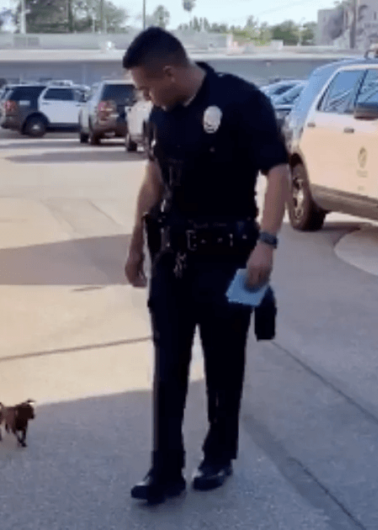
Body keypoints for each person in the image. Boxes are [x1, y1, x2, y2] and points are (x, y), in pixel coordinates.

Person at [122, 27, 291, 505]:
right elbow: (153, 179)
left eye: (147, 85)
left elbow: (278, 171)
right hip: (173, 258)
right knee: (168, 366)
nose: (144, 95)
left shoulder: (242, 101)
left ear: (170, 73)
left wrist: (268, 243)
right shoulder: (161, 112)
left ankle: (218, 454)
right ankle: (165, 469)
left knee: (224, 363)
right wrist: (135, 245)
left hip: (231, 255)